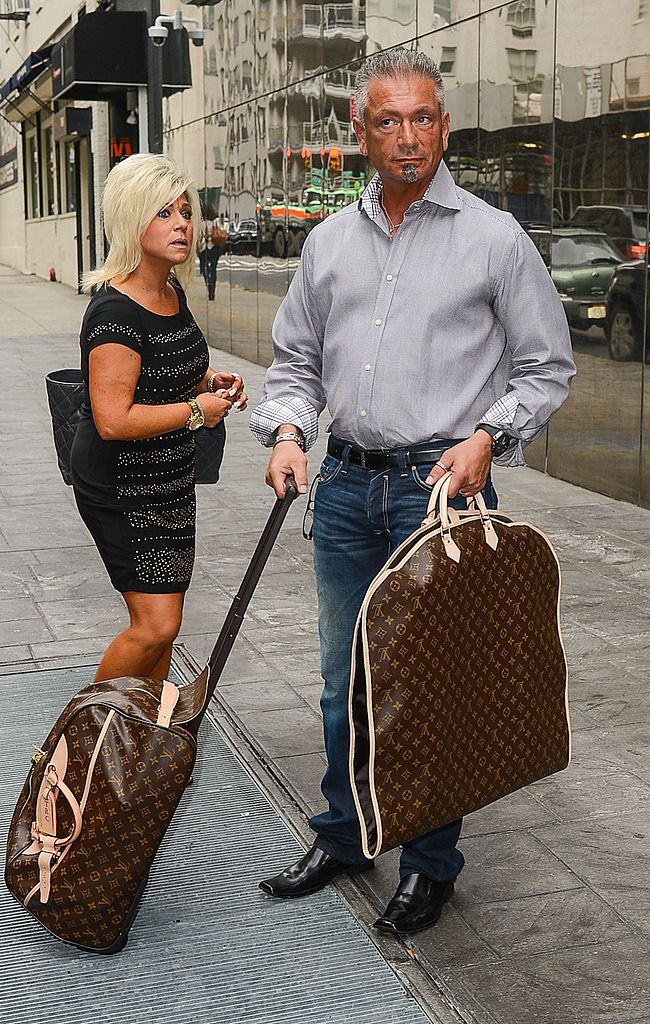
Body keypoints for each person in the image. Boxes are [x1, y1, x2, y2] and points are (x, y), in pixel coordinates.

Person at [250, 49, 575, 935]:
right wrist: (285, 431)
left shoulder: (494, 238)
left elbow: (547, 369)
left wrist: (487, 437)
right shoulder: (327, 243)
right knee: (340, 680)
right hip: (347, 491)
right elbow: (294, 365)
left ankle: (431, 866)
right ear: (360, 132)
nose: (407, 137)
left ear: (443, 126)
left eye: (423, 118)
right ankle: (349, 831)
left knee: (434, 688)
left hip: (442, 491)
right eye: (387, 121)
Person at [71, 153, 247, 684]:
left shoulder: (171, 292)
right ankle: (83, 747)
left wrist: (207, 380)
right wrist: (197, 411)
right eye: (163, 213)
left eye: (186, 212)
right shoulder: (113, 313)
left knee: (166, 624)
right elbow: (113, 420)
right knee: (155, 625)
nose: (182, 225)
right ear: (131, 219)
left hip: (170, 478)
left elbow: (170, 368)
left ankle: (145, 735)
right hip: (122, 485)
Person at [197, 203, 227, 301]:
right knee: (213, 269)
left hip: (204, 249)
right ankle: (212, 289)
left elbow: (198, 238)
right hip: (214, 248)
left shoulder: (201, 224)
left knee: (205, 269)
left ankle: (208, 284)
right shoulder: (215, 222)